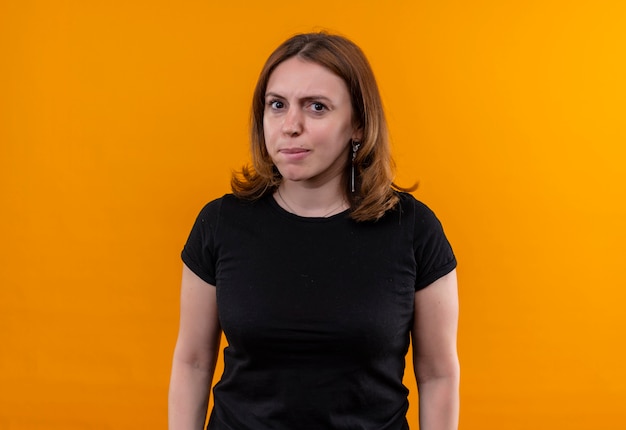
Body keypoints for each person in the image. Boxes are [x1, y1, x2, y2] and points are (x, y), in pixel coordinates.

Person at [168, 32, 459, 430]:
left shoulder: (414, 229)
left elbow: (438, 374)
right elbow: (194, 361)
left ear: (357, 124)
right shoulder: (220, 223)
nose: (290, 126)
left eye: (317, 107)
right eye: (277, 105)